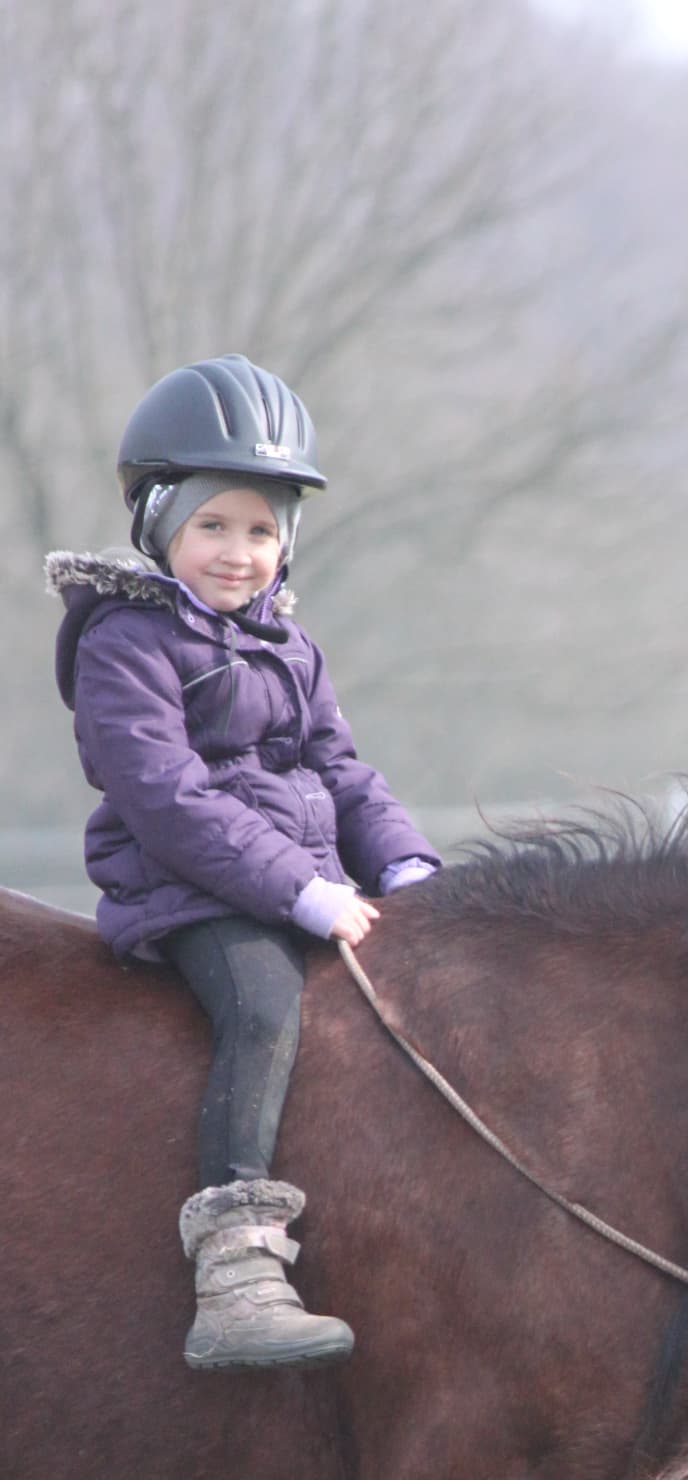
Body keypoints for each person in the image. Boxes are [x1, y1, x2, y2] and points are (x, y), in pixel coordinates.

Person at [48, 354, 441, 1372]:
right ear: (160, 528)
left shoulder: (289, 650)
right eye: (212, 525)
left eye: (260, 529)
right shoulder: (123, 642)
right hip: (187, 893)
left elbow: (343, 772)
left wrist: (406, 869)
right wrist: (301, 890)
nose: (238, 552)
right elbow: (167, 800)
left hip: (301, 883)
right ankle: (234, 1265)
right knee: (264, 1007)